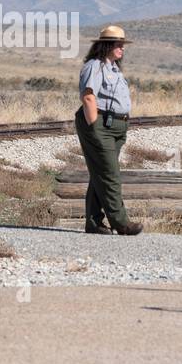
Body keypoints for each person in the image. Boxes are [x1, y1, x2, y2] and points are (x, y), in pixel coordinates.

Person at [75, 25, 142, 236]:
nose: (122, 47)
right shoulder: (94, 66)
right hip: (101, 125)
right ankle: (121, 223)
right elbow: (88, 96)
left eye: (123, 44)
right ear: (106, 45)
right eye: (118, 44)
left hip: (116, 126)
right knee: (110, 174)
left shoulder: (114, 69)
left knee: (101, 173)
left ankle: (93, 223)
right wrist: (94, 125)